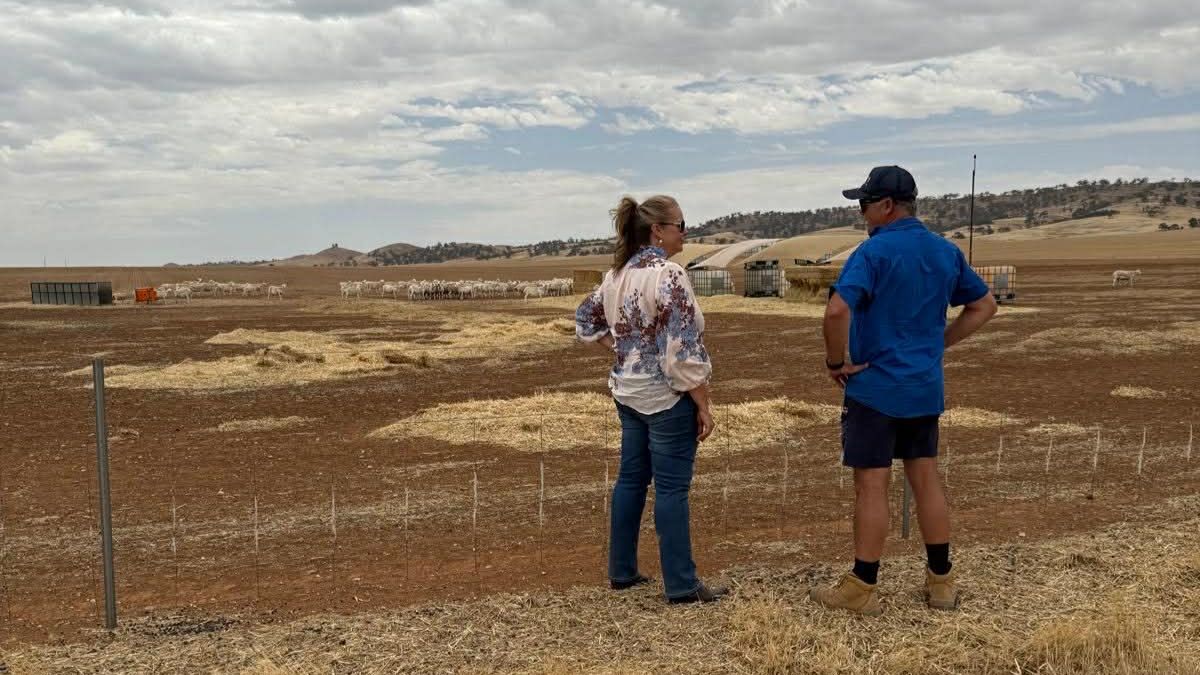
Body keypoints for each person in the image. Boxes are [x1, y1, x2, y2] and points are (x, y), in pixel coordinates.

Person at [811, 166, 997, 616]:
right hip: (923, 389)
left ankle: (862, 588)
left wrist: (836, 363)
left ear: (887, 206)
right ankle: (942, 583)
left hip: (874, 389)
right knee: (926, 478)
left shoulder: (873, 252)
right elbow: (984, 305)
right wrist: (939, 345)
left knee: (871, 487)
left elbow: (837, 311)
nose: (861, 213)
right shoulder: (944, 251)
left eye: (864, 204)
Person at [574, 194, 726, 604]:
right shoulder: (669, 275)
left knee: (631, 480)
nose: (685, 232)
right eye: (680, 224)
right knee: (672, 490)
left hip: (627, 393)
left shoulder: (615, 275)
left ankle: (622, 571)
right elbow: (682, 351)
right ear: (658, 230)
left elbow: (585, 321)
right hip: (666, 398)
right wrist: (703, 403)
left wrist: (626, 351)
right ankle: (681, 583)